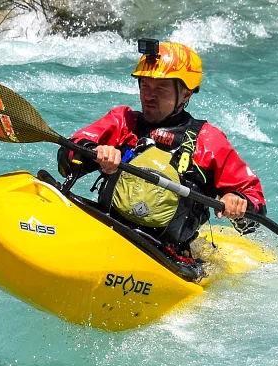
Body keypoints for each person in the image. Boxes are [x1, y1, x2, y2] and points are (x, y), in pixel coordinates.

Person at [55, 40, 265, 262]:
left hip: (165, 257)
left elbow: (255, 208)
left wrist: (238, 201)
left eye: (161, 88)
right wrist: (94, 153)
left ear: (186, 94)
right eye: (145, 85)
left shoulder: (208, 141)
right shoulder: (122, 121)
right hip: (107, 231)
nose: (149, 96)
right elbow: (66, 157)